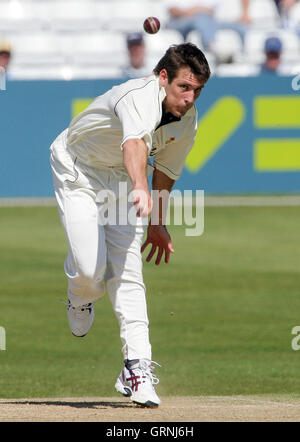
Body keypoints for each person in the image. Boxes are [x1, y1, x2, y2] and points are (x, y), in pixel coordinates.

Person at [49, 43, 210, 407]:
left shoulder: (188, 119)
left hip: (121, 181)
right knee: (91, 272)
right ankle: (80, 296)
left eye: (197, 90)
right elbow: (135, 145)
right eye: (184, 87)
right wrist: (140, 186)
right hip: (78, 169)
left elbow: (167, 171)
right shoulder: (140, 95)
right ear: (163, 76)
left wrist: (158, 223)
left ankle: (136, 367)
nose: (189, 97)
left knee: (128, 273)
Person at [163, 0, 250, 51]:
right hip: (178, 23)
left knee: (240, 27)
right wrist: (195, 11)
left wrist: (198, 11)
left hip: (206, 21)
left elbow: (211, 10)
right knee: (201, 18)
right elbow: (173, 10)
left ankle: (245, 54)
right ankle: (211, 47)